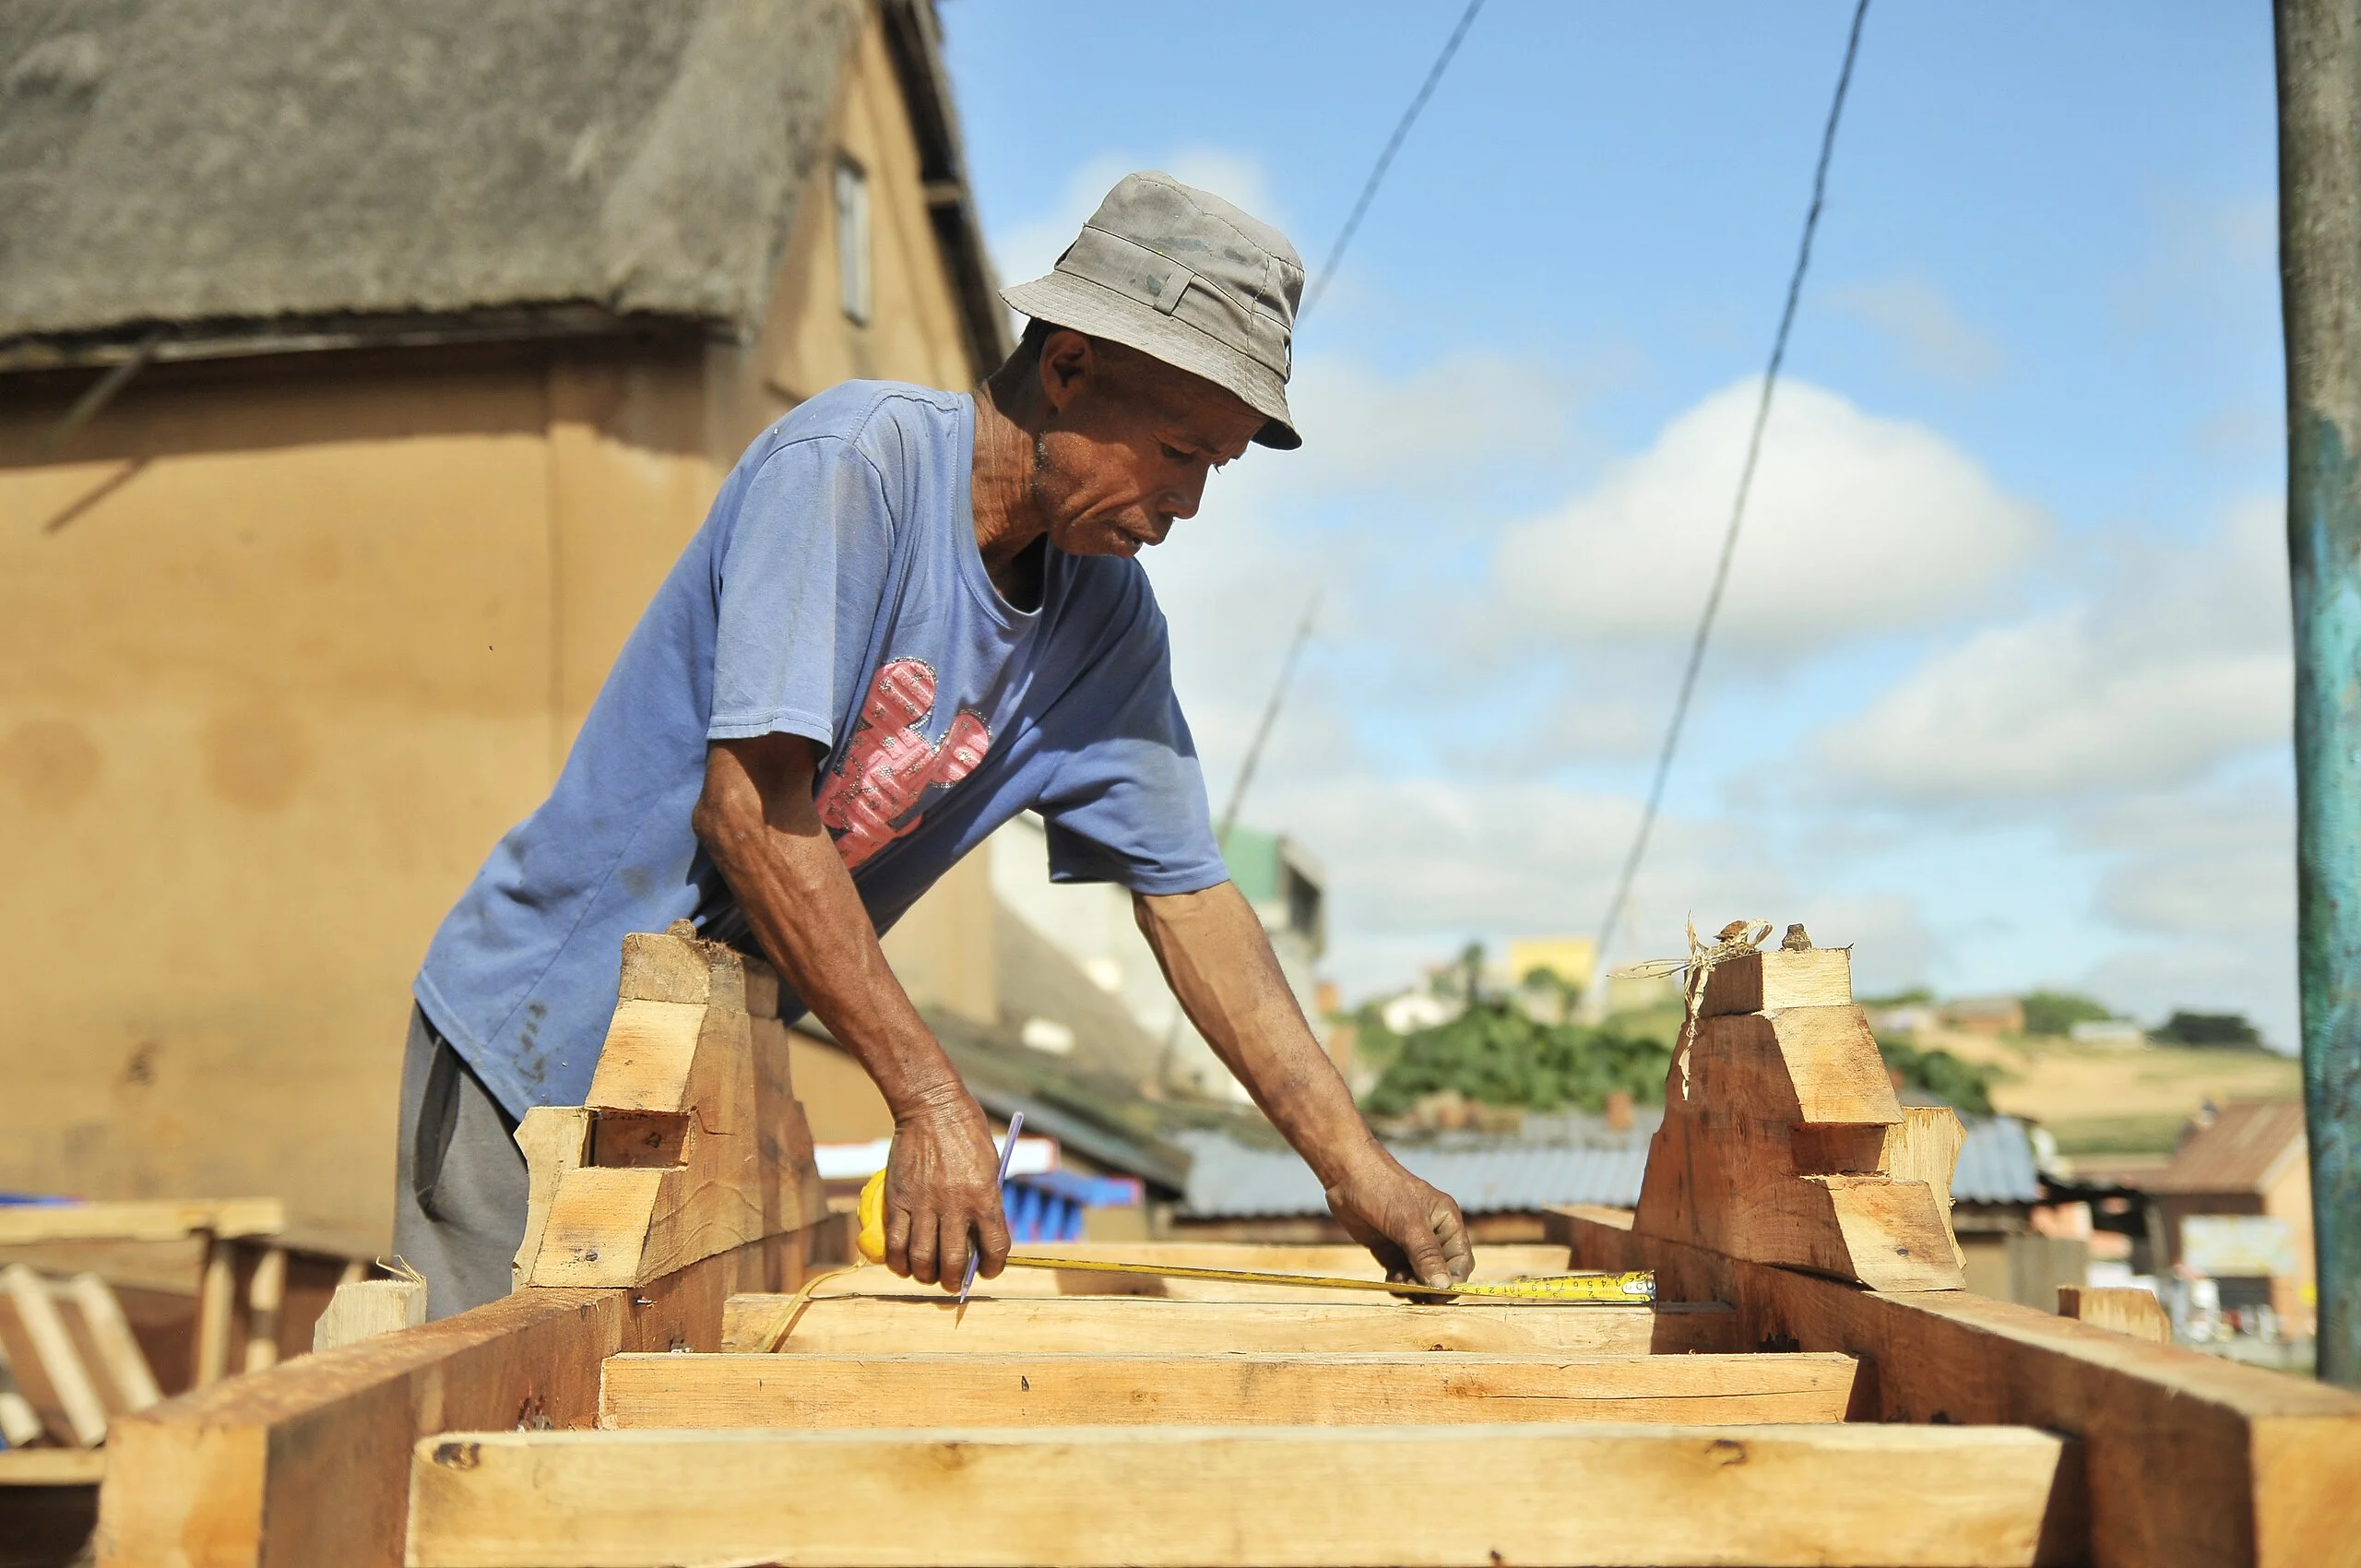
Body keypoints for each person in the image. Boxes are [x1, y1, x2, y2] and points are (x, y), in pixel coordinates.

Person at [396, 172, 1473, 1317]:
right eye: (1178, 450)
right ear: (1067, 367)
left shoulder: (1104, 619)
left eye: (1216, 465)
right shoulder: (852, 469)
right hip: (531, 1055)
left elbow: (1193, 900)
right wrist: (930, 1099)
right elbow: (752, 809)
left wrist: (1356, 1173)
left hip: (704, 1073)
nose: (1191, 502)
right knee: (488, 1422)